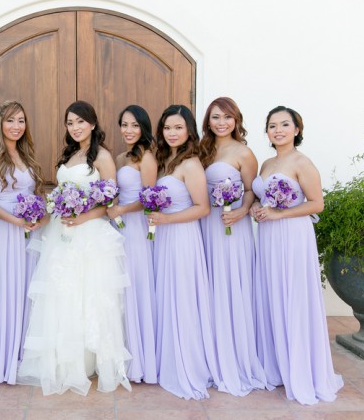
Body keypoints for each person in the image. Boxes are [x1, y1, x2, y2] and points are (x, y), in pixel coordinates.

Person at [17, 100, 132, 396]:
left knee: (87, 293)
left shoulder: (102, 157)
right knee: (61, 293)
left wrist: (82, 217)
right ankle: (62, 359)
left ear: (92, 124)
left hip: (89, 233)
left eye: (81, 121)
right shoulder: (69, 155)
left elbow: (110, 203)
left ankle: (86, 360)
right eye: (70, 122)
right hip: (61, 232)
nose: (75, 127)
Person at [250, 106, 343, 404]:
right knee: (272, 294)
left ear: (297, 129)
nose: (278, 130)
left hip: (292, 236)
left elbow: (317, 204)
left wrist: (279, 214)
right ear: (267, 131)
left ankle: (301, 369)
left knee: (293, 296)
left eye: (284, 124)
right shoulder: (267, 163)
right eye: (272, 125)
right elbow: (261, 198)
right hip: (268, 237)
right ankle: (277, 365)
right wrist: (256, 209)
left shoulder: (303, 162)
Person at [197, 97, 267, 395]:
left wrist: (241, 211)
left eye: (227, 117)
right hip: (204, 225)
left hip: (231, 228)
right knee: (207, 287)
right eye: (215, 117)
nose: (221, 123)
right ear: (208, 121)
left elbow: (251, 190)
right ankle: (207, 354)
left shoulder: (243, 153)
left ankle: (234, 355)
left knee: (228, 286)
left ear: (236, 120)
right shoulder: (201, 150)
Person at [149, 105, 218, 400]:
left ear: (189, 130)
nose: (172, 133)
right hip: (164, 238)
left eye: (178, 127)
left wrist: (167, 219)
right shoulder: (165, 160)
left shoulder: (191, 164)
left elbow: (202, 208)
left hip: (182, 237)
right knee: (166, 295)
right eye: (167, 128)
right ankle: (166, 358)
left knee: (182, 297)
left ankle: (186, 363)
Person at [0, 101, 46, 384]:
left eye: (21, 120)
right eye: (10, 120)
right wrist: (16, 221)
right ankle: (2, 357)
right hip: (4, 230)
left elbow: (35, 192)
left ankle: (22, 353)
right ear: (0, 123)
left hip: (28, 231)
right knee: (5, 287)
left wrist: (39, 216)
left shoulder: (25, 153)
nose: (16, 126)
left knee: (25, 288)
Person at [107, 105, 158, 384]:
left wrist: (122, 210)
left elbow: (149, 199)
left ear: (143, 128)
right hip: (118, 225)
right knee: (119, 286)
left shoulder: (147, 157)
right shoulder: (119, 157)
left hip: (136, 225)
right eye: (124, 125)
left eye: (134, 125)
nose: (128, 130)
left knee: (136, 282)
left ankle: (140, 358)